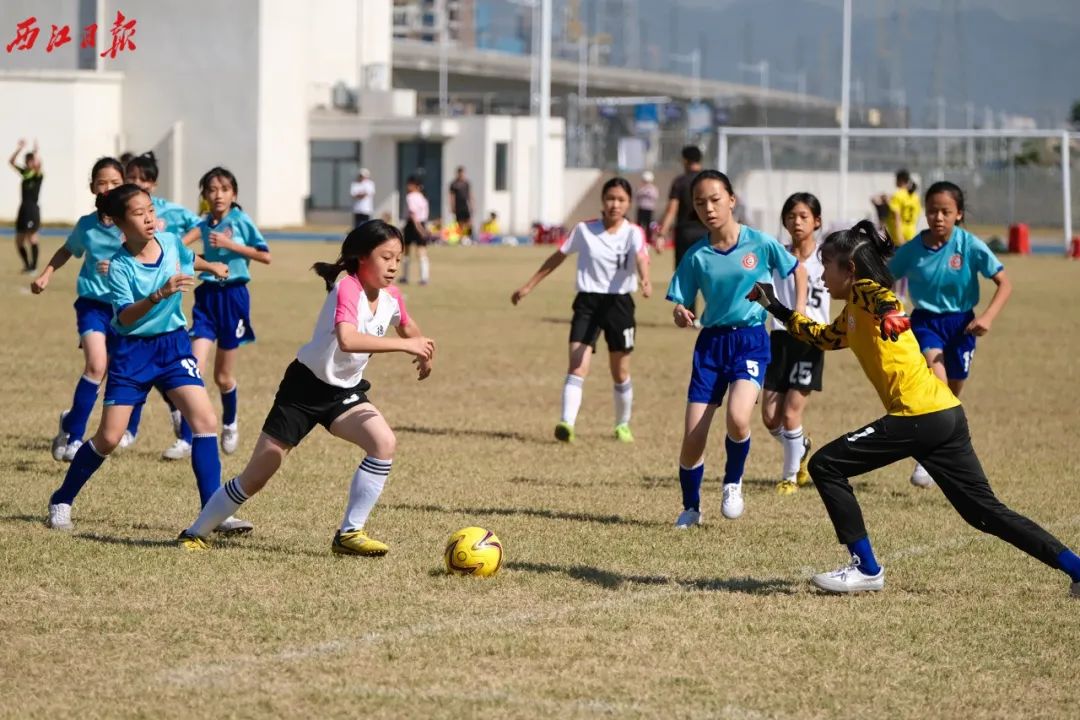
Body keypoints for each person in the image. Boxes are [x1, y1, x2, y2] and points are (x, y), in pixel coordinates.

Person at [746, 220, 1080, 597]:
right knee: (985, 513)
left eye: (826, 264)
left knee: (826, 465)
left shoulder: (866, 292)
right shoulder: (851, 311)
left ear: (850, 270)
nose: (821, 273)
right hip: (944, 414)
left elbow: (885, 298)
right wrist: (772, 303)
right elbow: (822, 337)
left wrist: (892, 313)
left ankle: (867, 569)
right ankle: (1077, 569)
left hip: (918, 415)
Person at [176, 220, 435, 554]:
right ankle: (194, 532)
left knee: (384, 443)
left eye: (398, 259)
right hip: (303, 389)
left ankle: (349, 534)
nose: (394, 265)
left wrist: (422, 350)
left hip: (344, 393)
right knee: (258, 474)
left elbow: (409, 327)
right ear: (360, 258)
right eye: (386, 257)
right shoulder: (348, 287)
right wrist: (405, 347)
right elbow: (348, 339)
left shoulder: (391, 298)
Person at [45, 183, 251, 535]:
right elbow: (124, 317)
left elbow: (186, 259)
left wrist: (212, 266)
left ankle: (213, 513)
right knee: (109, 438)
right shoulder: (120, 267)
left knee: (204, 422)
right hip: (132, 352)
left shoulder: (170, 242)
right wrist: (160, 293)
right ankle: (62, 499)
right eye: (139, 214)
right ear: (120, 223)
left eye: (150, 211)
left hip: (173, 346)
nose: (149, 219)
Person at [666, 171, 807, 528]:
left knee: (739, 417)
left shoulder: (759, 243)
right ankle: (691, 508)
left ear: (732, 199)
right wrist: (681, 313)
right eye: (700, 203)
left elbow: (797, 269)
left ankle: (733, 482)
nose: (708, 208)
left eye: (715, 199)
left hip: (750, 339)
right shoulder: (697, 255)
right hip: (711, 346)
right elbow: (680, 301)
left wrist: (798, 313)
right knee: (692, 440)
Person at [889, 181, 1011, 488]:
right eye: (932, 211)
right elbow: (886, 277)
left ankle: (933, 446)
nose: (938, 217)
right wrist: (888, 309)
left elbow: (1004, 283)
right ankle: (925, 460)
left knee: (951, 395)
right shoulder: (913, 250)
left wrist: (987, 317)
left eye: (945, 211)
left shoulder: (969, 245)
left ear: (958, 214)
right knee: (938, 381)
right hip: (925, 322)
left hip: (963, 325)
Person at [512, 177, 651, 443]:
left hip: (619, 305)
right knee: (577, 365)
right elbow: (557, 257)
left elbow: (642, 257)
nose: (615, 204)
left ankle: (622, 424)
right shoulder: (584, 230)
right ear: (602, 200)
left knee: (619, 371)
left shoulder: (633, 232)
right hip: (588, 303)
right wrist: (529, 286)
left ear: (629, 203)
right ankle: (567, 423)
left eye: (621, 200)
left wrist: (645, 279)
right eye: (610, 198)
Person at [32, 158, 145, 460]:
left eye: (114, 182)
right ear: (93, 187)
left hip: (125, 309)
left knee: (120, 372)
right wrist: (46, 273)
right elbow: (68, 250)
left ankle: (69, 421)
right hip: (92, 306)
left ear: (125, 185)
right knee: (97, 366)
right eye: (102, 182)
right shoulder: (87, 226)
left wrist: (123, 268)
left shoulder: (134, 225)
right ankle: (74, 436)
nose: (108, 187)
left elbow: (150, 260)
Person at [164, 168, 271, 461]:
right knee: (192, 370)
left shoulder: (241, 221)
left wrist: (231, 246)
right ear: (205, 196)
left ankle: (230, 422)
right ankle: (186, 438)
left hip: (233, 298)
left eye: (224, 189)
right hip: (207, 298)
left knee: (223, 377)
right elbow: (178, 245)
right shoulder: (205, 224)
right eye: (211, 189)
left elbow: (265, 255)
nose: (218, 194)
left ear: (233, 194)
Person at [126, 151, 205, 440]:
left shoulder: (168, 212)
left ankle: (173, 411)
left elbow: (200, 224)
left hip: (164, 298)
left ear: (154, 185)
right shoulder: (123, 213)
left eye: (143, 179)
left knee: (157, 357)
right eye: (131, 177)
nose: (137, 183)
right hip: (132, 295)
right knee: (133, 361)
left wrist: (176, 246)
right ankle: (128, 429)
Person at [762, 193, 829, 495]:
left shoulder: (826, 259)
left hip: (810, 339)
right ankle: (800, 445)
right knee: (770, 418)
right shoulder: (777, 255)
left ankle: (789, 477)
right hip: (778, 338)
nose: (797, 221)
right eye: (791, 216)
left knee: (790, 414)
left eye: (803, 216)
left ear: (817, 221)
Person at [656, 146, 708, 315]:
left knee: (686, 275)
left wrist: (661, 234)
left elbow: (672, 210)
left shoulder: (680, 182)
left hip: (685, 234)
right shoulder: (708, 181)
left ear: (685, 160)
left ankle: (689, 314)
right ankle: (715, 312)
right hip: (706, 233)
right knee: (709, 273)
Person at [9, 139, 43, 273]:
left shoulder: (37, 175)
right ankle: (27, 265)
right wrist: (20, 148)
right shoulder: (25, 173)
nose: (30, 163)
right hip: (23, 209)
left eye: (32, 161)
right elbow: (11, 162)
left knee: (32, 237)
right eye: (28, 161)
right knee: (18, 241)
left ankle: (34, 267)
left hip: (32, 209)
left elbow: (39, 166)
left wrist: (36, 152)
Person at [401, 176, 430, 285]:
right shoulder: (423, 197)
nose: (407, 186)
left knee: (407, 251)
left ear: (415, 186)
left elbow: (413, 214)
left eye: (410, 184)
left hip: (413, 224)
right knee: (422, 251)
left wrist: (419, 228)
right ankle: (424, 278)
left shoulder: (410, 196)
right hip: (422, 223)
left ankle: (405, 276)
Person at [448, 166, 473, 243]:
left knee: (469, 222)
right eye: (460, 173)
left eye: (462, 173)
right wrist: (452, 206)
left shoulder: (466, 183)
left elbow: (470, 194)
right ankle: (461, 238)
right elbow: (452, 196)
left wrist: (472, 204)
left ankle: (468, 237)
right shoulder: (454, 184)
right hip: (458, 205)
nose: (461, 175)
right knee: (460, 223)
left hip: (465, 204)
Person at [636, 171, 659, 246]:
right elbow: (637, 196)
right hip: (641, 208)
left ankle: (648, 240)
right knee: (639, 225)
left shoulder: (653, 189)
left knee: (649, 225)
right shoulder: (641, 189)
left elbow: (655, 197)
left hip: (649, 209)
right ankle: (639, 239)